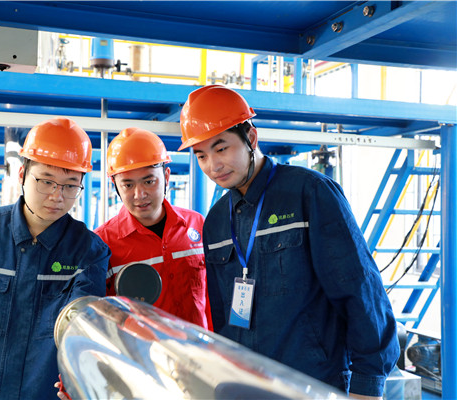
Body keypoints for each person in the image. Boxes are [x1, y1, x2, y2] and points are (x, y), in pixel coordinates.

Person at [178, 85, 399, 399]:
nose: (213, 165)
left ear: (251, 138)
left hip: (314, 384)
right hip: (247, 384)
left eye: (221, 148)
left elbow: (360, 290)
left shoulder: (310, 193)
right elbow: (222, 317)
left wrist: (368, 384)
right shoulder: (216, 222)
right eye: (201, 155)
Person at [0, 117, 110, 400]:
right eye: (46, 181)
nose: (57, 196)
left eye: (70, 185)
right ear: (22, 174)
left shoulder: (89, 251)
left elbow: (81, 331)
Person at [95, 127, 212, 330]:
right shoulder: (102, 243)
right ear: (115, 185)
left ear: (166, 176)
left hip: (198, 346)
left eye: (149, 181)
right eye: (128, 185)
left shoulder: (196, 224)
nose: (139, 194)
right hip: (140, 349)